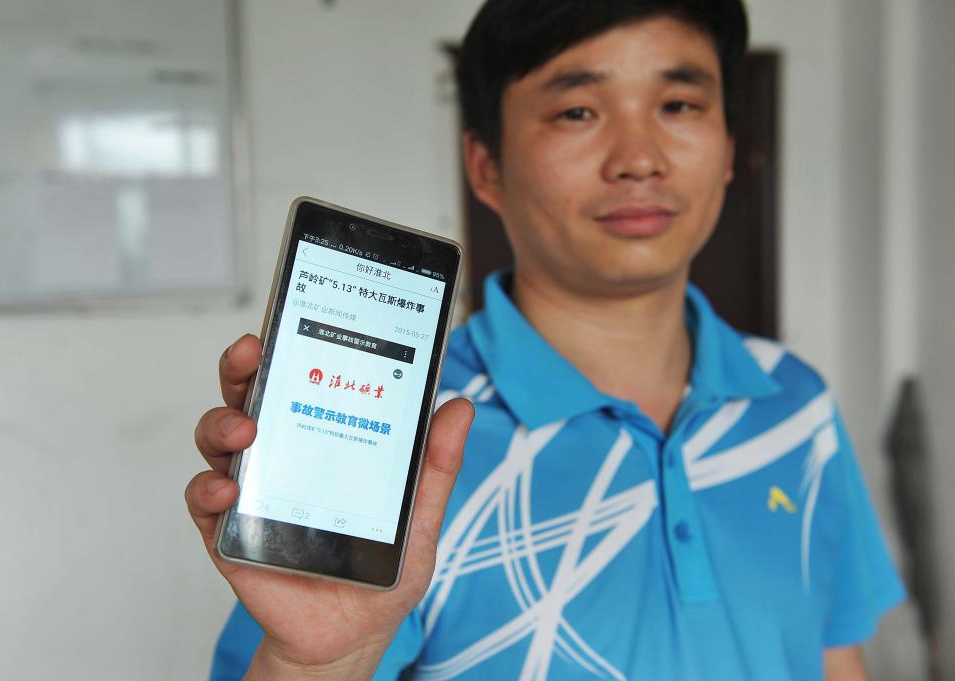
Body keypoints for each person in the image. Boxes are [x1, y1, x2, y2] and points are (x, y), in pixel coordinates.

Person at [186, 0, 906, 678]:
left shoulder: (796, 403)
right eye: (578, 110)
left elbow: (832, 657)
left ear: (727, 150)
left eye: (679, 105)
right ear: (486, 167)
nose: (638, 158)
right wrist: (314, 665)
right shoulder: (411, 437)